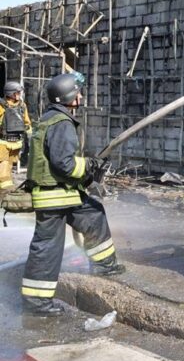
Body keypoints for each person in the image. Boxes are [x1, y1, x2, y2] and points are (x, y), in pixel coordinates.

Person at [21, 72, 124, 317]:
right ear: (68, 95)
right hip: (55, 196)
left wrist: (87, 172)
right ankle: (37, 303)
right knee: (47, 247)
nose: (80, 95)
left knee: (93, 214)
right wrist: (88, 166)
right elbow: (64, 164)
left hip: (62, 193)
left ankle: (104, 266)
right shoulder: (61, 123)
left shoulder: (50, 118)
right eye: (77, 92)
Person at [0, 81, 31, 192]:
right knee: (3, 163)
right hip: (2, 142)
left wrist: (29, 137)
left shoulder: (22, 105)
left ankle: (6, 187)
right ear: (11, 93)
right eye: (17, 93)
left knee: (9, 164)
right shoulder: (1, 105)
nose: (19, 94)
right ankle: (5, 190)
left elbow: (27, 122)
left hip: (16, 142)